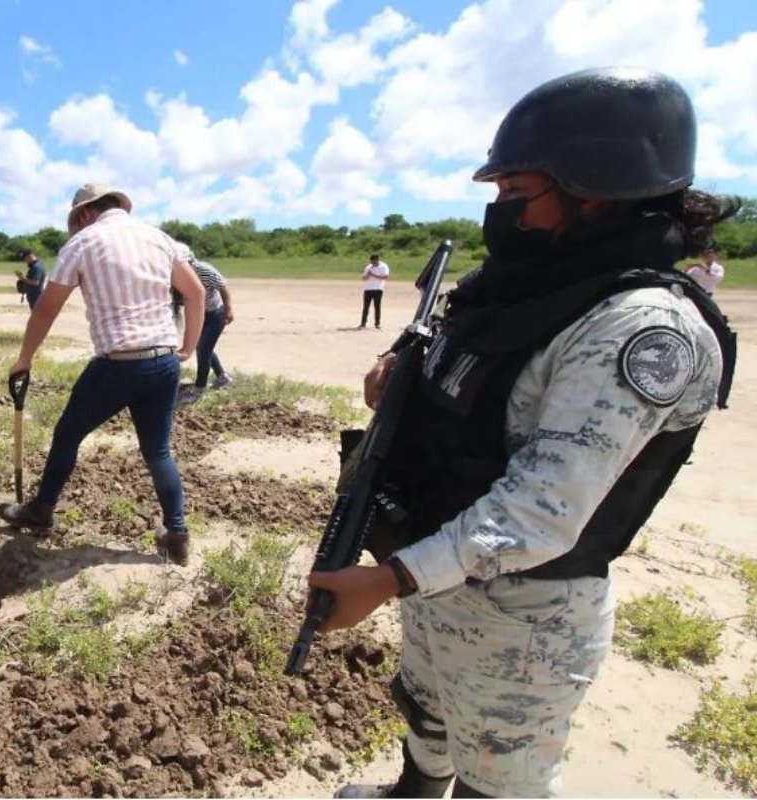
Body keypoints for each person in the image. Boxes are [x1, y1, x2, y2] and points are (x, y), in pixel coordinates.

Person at [311, 68, 736, 799]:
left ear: (597, 188)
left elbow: (542, 510)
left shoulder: (640, 327)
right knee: (427, 715)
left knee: (499, 777)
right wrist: (397, 387)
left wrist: (385, 582)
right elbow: (465, 389)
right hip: (437, 571)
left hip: (525, 617)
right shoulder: (527, 285)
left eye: (516, 195)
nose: (500, 214)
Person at [0, 184, 205, 565]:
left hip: (118, 364)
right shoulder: (158, 238)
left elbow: (46, 309)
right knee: (157, 451)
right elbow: (196, 294)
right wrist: (187, 347)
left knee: (67, 435)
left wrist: (24, 357)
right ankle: (177, 533)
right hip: (163, 361)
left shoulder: (83, 242)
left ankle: (41, 510)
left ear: (85, 214)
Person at [179, 248, 235, 403]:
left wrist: (229, 309)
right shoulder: (178, 276)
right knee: (203, 347)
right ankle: (223, 378)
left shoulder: (203, 270)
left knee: (203, 349)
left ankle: (198, 389)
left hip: (216, 313)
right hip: (200, 315)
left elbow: (223, 286)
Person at [359, 254, 390, 329]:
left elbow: (385, 277)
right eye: (372, 262)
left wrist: (373, 275)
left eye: (374, 262)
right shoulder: (369, 267)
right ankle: (363, 324)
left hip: (378, 288)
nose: (373, 263)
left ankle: (377, 324)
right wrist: (368, 275)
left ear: (377, 260)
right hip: (368, 289)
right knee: (366, 307)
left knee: (377, 307)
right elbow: (363, 278)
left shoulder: (383, 266)